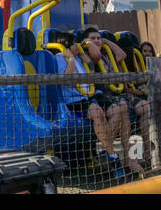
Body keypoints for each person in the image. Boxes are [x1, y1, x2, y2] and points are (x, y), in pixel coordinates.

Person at [60, 28, 143, 174]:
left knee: (121, 109)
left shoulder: (83, 57)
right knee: (108, 110)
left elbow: (92, 68)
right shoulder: (63, 57)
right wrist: (81, 49)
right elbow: (68, 79)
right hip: (80, 99)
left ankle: (115, 153)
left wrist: (102, 43)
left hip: (91, 96)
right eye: (74, 44)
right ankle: (113, 155)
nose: (77, 46)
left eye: (99, 38)